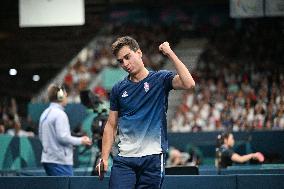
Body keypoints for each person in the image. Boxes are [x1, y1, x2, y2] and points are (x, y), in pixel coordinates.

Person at [97, 36, 195, 188]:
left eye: (127, 57)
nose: (125, 64)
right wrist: (104, 157)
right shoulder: (118, 89)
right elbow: (111, 125)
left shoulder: (160, 79)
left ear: (139, 53)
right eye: (121, 61)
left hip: (153, 158)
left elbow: (189, 83)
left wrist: (170, 53)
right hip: (125, 160)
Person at [39, 84, 92, 176]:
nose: (67, 98)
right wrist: (81, 141)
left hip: (48, 159)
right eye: (66, 96)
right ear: (60, 97)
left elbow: (41, 136)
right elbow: (63, 137)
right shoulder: (60, 114)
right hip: (60, 161)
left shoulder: (45, 113)